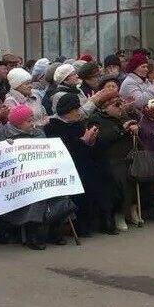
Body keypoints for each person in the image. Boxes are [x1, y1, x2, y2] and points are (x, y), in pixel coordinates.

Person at [0, 105, 74, 250]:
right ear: (17, 123)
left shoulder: (38, 133)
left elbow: (46, 152)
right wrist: (4, 149)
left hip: (40, 173)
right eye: (28, 121)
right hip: (16, 179)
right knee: (36, 194)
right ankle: (32, 233)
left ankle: (55, 228)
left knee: (60, 192)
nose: (32, 123)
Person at [44, 94, 117, 236]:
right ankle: (80, 225)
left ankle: (106, 218)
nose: (79, 113)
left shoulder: (77, 124)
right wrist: (83, 141)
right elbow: (63, 151)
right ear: (69, 111)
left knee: (106, 177)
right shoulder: (53, 128)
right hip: (66, 168)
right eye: (76, 110)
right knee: (85, 183)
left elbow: (88, 149)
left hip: (85, 163)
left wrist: (91, 141)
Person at [87, 93, 140, 230]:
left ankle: (133, 207)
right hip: (109, 158)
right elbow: (102, 139)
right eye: (116, 105)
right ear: (105, 107)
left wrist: (135, 128)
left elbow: (135, 127)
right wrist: (122, 130)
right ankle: (119, 213)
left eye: (121, 103)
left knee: (141, 172)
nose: (120, 107)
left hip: (128, 155)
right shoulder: (96, 119)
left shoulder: (122, 116)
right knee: (119, 176)